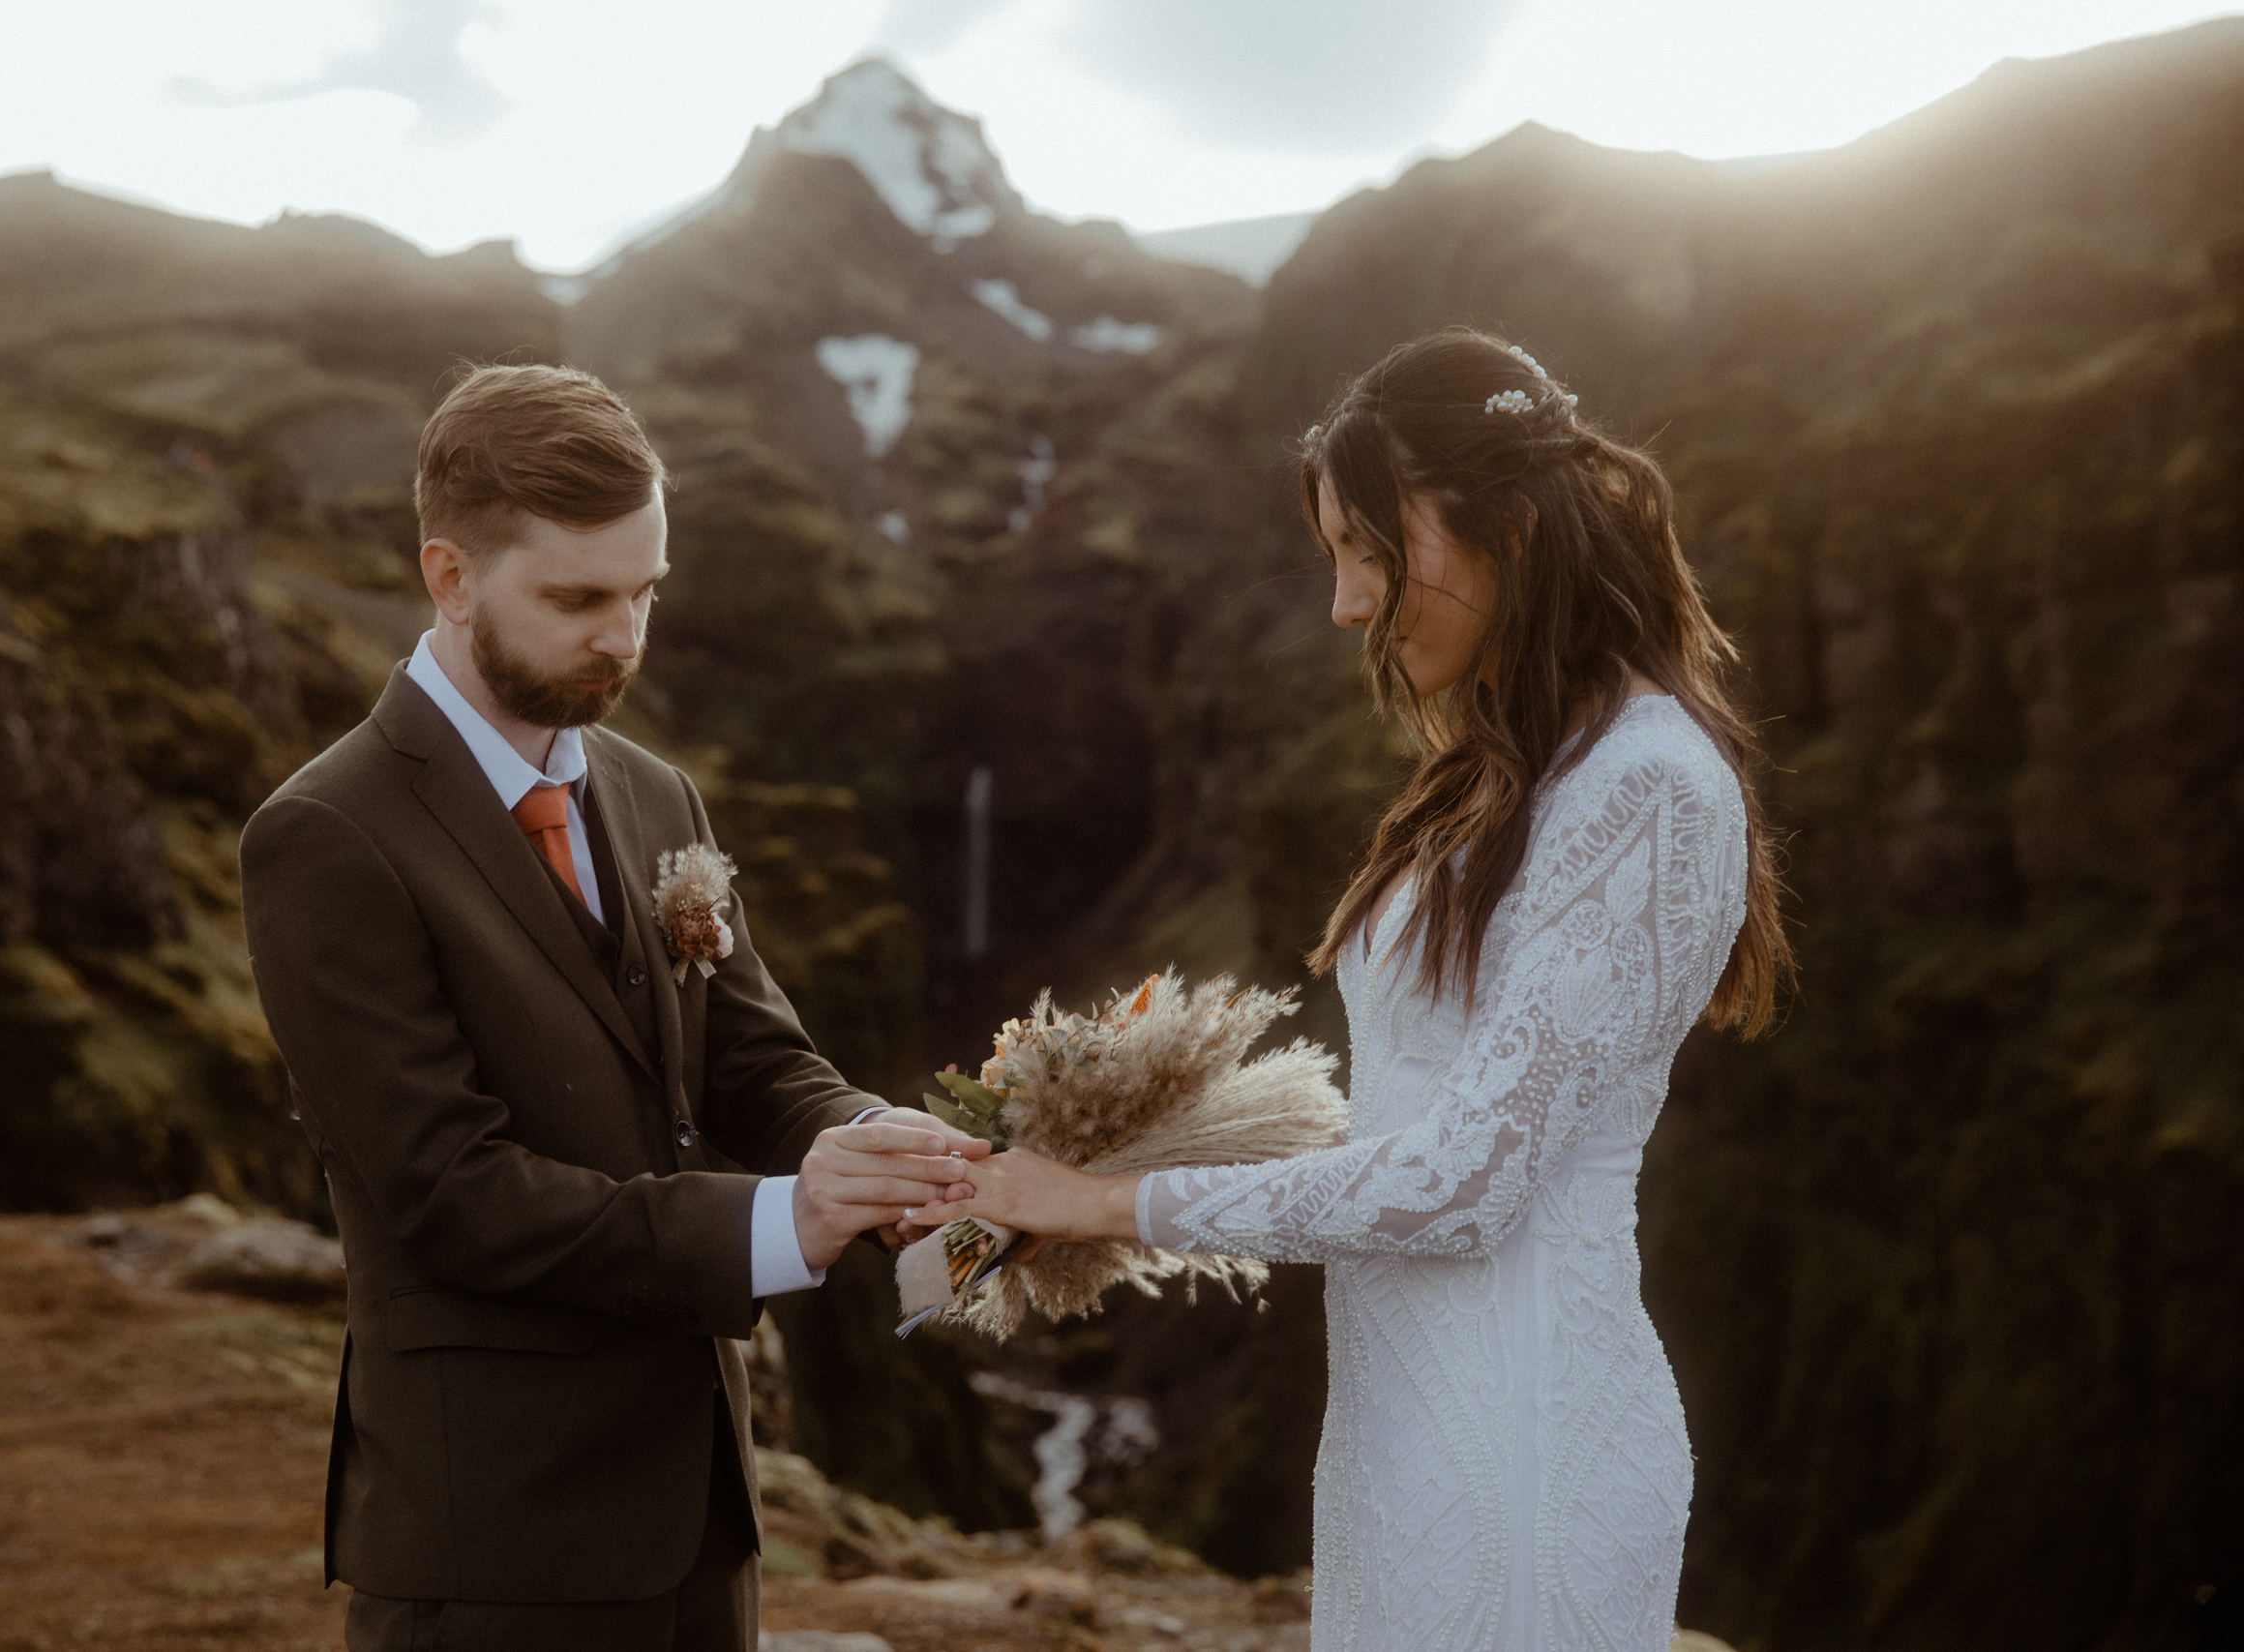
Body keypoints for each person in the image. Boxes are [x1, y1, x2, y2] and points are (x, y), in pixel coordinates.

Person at [923, 330, 1792, 1652]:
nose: (1345, 603)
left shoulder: (1646, 788)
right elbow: (1416, 1110)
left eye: (1373, 552)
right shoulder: (1514, 771)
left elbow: (1464, 1178)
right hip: (1407, 1416)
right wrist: (1125, 1145)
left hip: (1523, 1437)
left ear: (1506, 522)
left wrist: (1115, 1200)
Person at [240, 363, 990, 1652]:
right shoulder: (325, 838)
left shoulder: (655, 798)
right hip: (494, 1548)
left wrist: (879, 1143)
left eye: (644, 593)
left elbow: (757, 1061)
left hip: (702, 1516)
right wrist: (780, 1224)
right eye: (578, 600)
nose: (623, 638)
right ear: (451, 575)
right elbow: (451, 1195)